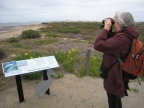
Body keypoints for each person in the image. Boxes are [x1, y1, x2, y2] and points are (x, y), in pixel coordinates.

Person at [94, 12, 139, 108]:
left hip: (115, 74)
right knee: (115, 97)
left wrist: (106, 28)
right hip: (118, 71)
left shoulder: (121, 39)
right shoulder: (125, 35)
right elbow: (110, 39)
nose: (113, 22)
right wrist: (109, 29)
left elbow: (98, 45)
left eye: (115, 21)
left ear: (121, 23)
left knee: (113, 99)